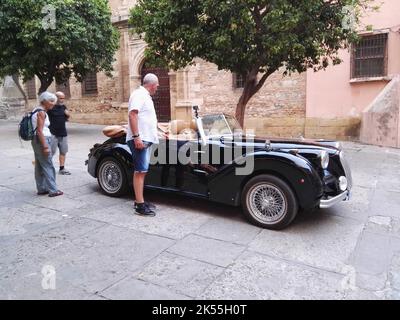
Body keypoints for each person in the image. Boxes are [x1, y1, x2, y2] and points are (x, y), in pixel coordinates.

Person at [127, 73, 160, 216]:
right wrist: (136, 137)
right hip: (140, 139)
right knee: (140, 171)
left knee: (141, 171)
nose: (157, 88)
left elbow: (145, 118)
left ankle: (139, 200)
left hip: (145, 138)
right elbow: (132, 114)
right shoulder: (139, 94)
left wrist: (157, 132)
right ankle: (139, 206)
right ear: (152, 84)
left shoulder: (145, 95)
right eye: (157, 86)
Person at [31, 92, 63, 197]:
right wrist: (45, 146)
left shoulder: (35, 110)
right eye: (51, 101)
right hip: (42, 139)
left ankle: (41, 188)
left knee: (39, 166)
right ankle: (53, 190)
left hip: (36, 140)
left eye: (54, 101)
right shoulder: (41, 112)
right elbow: (40, 131)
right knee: (48, 165)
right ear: (44, 101)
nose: (53, 104)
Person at [47, 91, 71, 175]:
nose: (62, 100)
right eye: (61, 98)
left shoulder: (63, 107)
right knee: (51, 152)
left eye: (63, 98)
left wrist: (68, 114)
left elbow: (67, 118)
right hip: (53, 133)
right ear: (56, 98)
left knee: (63, 151)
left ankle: (62, 168)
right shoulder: (50, 107)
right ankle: (47, 168)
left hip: (63, 133)